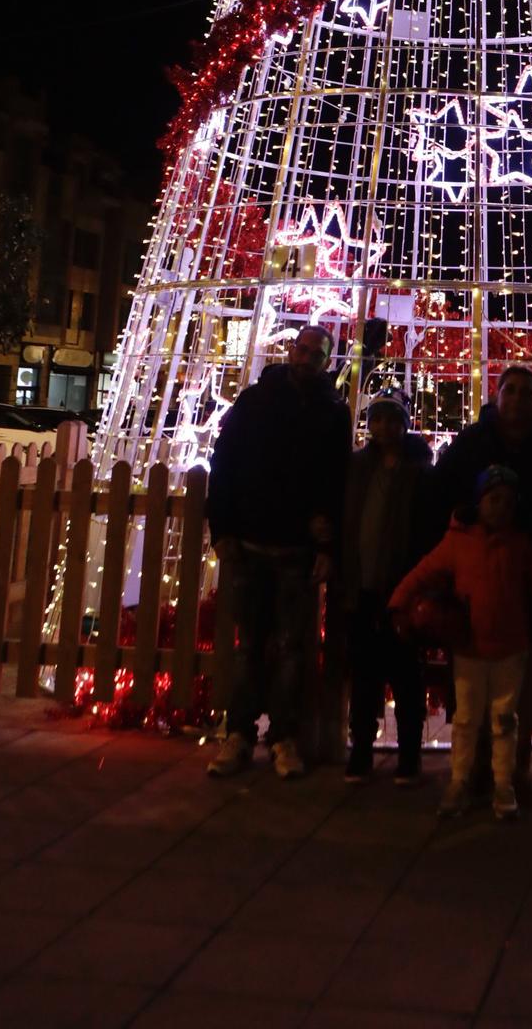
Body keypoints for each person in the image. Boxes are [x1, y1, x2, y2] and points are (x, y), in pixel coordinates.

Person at [206, 324, 350, 778]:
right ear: (291, 351)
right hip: (249, 542)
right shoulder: (254, 401)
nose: (307, 359)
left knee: (292, 648)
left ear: (328, 361)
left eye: (317, 354)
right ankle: (240, 734)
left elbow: (336, 481)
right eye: (302, 350)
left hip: (296, 550)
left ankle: (284, 737)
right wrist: (222, 528)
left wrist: (327, 544)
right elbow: (223, 462)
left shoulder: (332, 412)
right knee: (247, 646)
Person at [390, 464, 532, 822]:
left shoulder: (521, 543)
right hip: (470, 646)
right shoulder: (460, 541)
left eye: (507, 503)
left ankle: (503, 782)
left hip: (511, 646)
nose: (500, 509)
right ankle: (460, 780)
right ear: (480, 502)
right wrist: (399, 603)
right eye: (493, 500)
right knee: (466, 718)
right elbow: (425, 570)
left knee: (503, 719)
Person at [430, 364, 532, 787]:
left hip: (529, 580)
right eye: (510, 390)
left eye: (528, 391)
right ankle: (472, 766)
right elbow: (442, 492)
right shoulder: (473, 443)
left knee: (520, 682)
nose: (518, 399)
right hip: (479, 578)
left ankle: (512, 768)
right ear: (496, 395)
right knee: (473, 680)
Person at [339, 388, 433, 786]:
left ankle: (409, 754)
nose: (383, 427)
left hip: (402, 587)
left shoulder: (419, 472)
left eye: (392, 419)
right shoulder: (358, 467)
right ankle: (360, 749)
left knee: (407, 676)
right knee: (364, 674)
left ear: (404, 424)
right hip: (361, 585)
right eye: (377, 419)